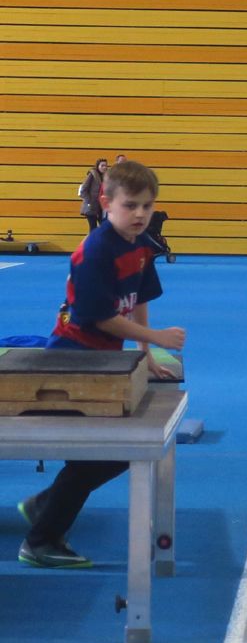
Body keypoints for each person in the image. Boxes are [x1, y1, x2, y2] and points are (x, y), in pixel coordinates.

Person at [16, 161, 186, 568]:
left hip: (105, 360)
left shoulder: (141, 244)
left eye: (147, 206)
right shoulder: (94, 251)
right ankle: (40, 540)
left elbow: (140, 298)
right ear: (106, 203)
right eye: (131, 206)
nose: (140, 214)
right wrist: (155, 338)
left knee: (119, 450)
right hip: (71, 359)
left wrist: (146, 356)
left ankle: (46, 506)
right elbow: (99, 318)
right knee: (104, 451)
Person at [78, 158, 107, 232]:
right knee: (93, 228)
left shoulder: (105, 177)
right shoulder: (92, 175)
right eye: (102, 165)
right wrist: (89, 202)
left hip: (100, 206)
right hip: (91, 207)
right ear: (97, 166)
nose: (104, 167)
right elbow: (83, 190)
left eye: (105, 166)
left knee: (104, 227)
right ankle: (93, 240)